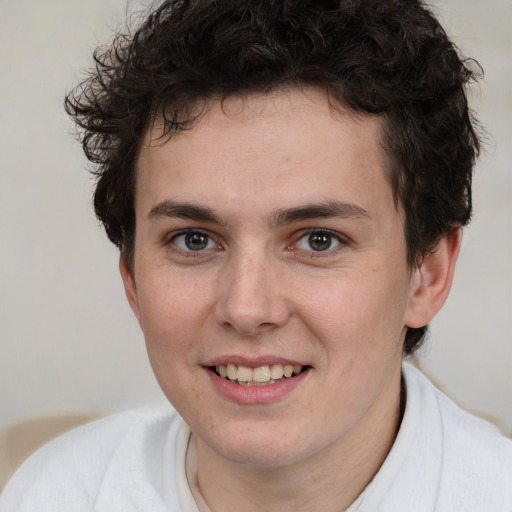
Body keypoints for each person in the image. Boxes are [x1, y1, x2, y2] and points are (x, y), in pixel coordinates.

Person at [1, 0, 511, 510]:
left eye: (318, 240)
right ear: (132, 277)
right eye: (194, 240)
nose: (246, 309)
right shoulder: (51, 492)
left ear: (427, 275)